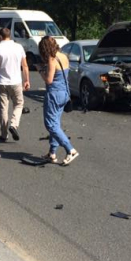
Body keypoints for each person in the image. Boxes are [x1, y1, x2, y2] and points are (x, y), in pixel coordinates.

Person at [0, 28, 30, 141]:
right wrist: (27, 80)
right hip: (16, 82)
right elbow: (25, 66)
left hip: (1, 82)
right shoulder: (19, 47)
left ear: (0, 37)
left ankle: (4, 134)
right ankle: (13, 124)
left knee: (3, 109)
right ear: (10, 36)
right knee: (18, 104)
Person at [38, 36, 79, 165]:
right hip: (64, 93)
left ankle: (70, 149)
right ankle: (52, 153)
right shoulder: (63, 56)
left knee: (50, 124)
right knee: (55, 123)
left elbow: (49, 80)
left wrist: (40, 70)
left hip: (54, 94)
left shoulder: (51, 59)